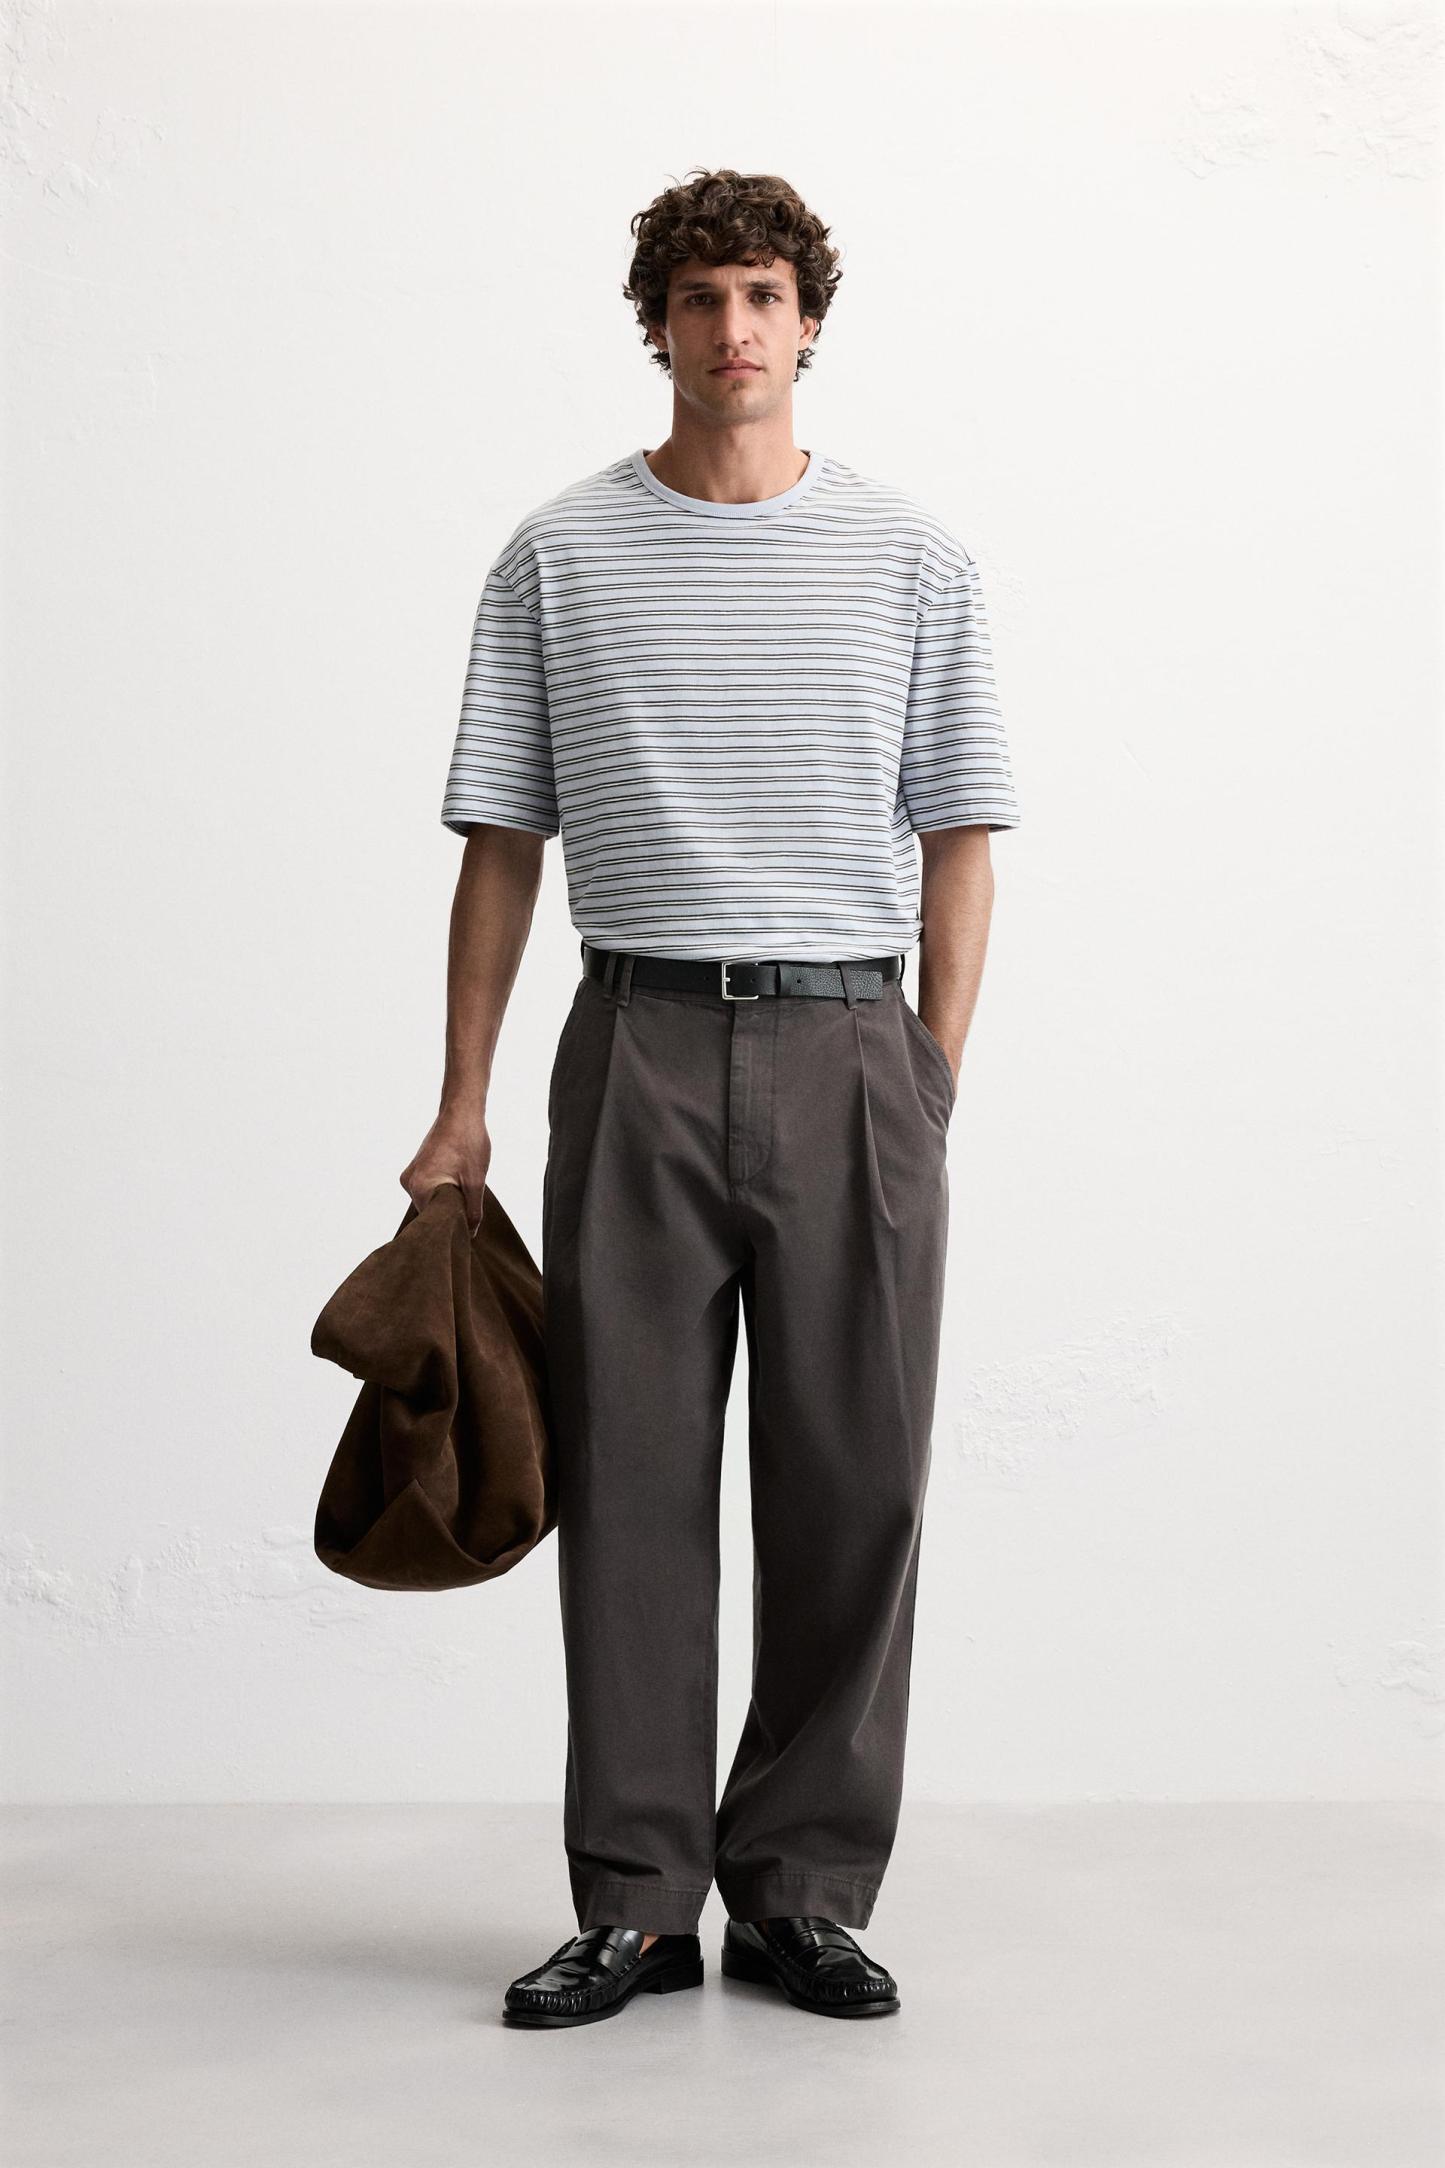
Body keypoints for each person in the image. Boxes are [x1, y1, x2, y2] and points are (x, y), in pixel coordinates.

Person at [401, 167, 1021, 2029]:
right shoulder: (556, 556)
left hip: (852, 1049)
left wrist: (926, 1077)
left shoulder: (913, 557)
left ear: (807, 321)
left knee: (856, 1487)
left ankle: (802, 1891)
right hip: (639, 1040)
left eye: (760, 295)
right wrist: (462, 1105)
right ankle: (637, 1902)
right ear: (653, 326)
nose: (731, 329)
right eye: (696, 299)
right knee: (628, 1481)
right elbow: (501, 848)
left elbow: (962, 838)